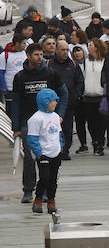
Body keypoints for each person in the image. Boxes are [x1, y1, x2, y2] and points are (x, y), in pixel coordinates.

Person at [9, 42, 68, 203]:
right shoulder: (20, 77)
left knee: (47, 158)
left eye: (41, 54)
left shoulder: (51, 74)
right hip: (28, 122)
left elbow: (64, 94)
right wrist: (16, 127)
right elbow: (16, 102)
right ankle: (28, 190)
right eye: (36, 54)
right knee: (29, 156)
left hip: (49, 122)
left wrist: (60, 114)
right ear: (28, 56)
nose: (40, 57)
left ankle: (44, 191)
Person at [25, 88, 64, 214]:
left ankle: (51, 200)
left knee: (53, 179)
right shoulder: (36, 119)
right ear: (45, 102)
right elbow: (32, 138)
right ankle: (38, 199)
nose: (56, 103)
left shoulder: (55, 116)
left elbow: (59, 134)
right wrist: (38, 153)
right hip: (43, 154)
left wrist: (61, 147)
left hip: (55, 152)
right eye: (53, 101)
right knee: (44, 178)